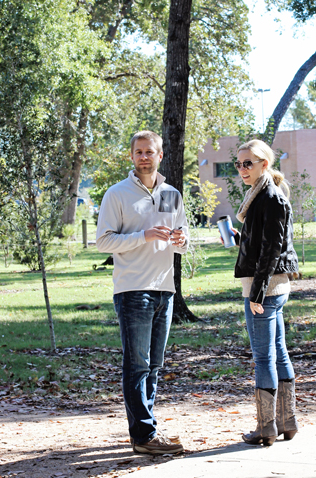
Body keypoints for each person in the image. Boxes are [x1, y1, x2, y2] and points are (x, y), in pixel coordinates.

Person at [96, 130, 188, 455]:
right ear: (131, 157)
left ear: (160, 155)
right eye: (139, 152)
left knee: (154, 365)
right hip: (133, 289)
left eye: (150, 152)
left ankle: (146, 430)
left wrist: (180, 242)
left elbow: (184, 240)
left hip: (165, 289)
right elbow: (103, 242)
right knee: (137, 364)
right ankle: (144, 436)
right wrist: (143, 235)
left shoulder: (171, 194)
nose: (145, 157)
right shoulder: (117, 194)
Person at [227, 140, 299, 446]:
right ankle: (287, 421)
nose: (243, 169)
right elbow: (265, 240)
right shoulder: (261, 194)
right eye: (239, 164)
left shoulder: (269, 196)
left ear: (264, 164)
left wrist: (256, 294)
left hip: (265, 289)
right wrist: (239, 237)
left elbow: (271, 251)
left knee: (264, 358)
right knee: (278, 353)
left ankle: (266, 426)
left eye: (249, 163)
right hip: (273, 287)